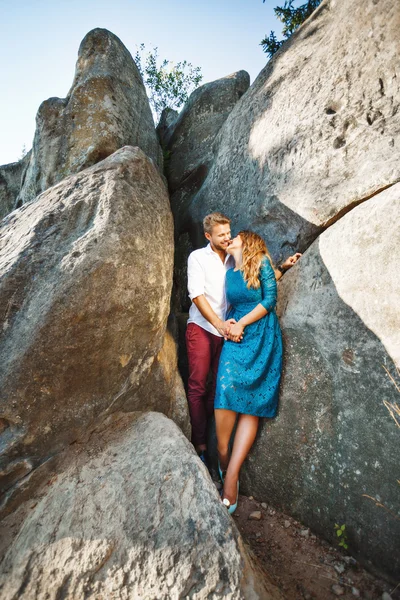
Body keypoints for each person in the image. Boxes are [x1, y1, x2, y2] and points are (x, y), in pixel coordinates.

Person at [186, 213, 300, 468]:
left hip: (234, 330)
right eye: (222, 235)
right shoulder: (198, 258)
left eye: (230, 233)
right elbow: (196, 294)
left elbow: (256, 285)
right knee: (199, 386)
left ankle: (224, 459)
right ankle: (202, 446)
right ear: (208, 237)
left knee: (218, 387)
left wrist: (281, 268)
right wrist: (221, 325)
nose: (227, 238)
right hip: (206, 327)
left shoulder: (232, 260)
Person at [214, 230, 293, 513]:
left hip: (261, 335)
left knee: (252, 406)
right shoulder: (230, 273)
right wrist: (230, 322)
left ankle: (231, 475)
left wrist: (241, 324)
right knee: (225, 388)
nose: (231, 238)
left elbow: (269, 299)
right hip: (236, 338)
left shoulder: (260, 262)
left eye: (236, 236)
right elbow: (231, 305)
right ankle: (222, 455)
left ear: (248, 242)